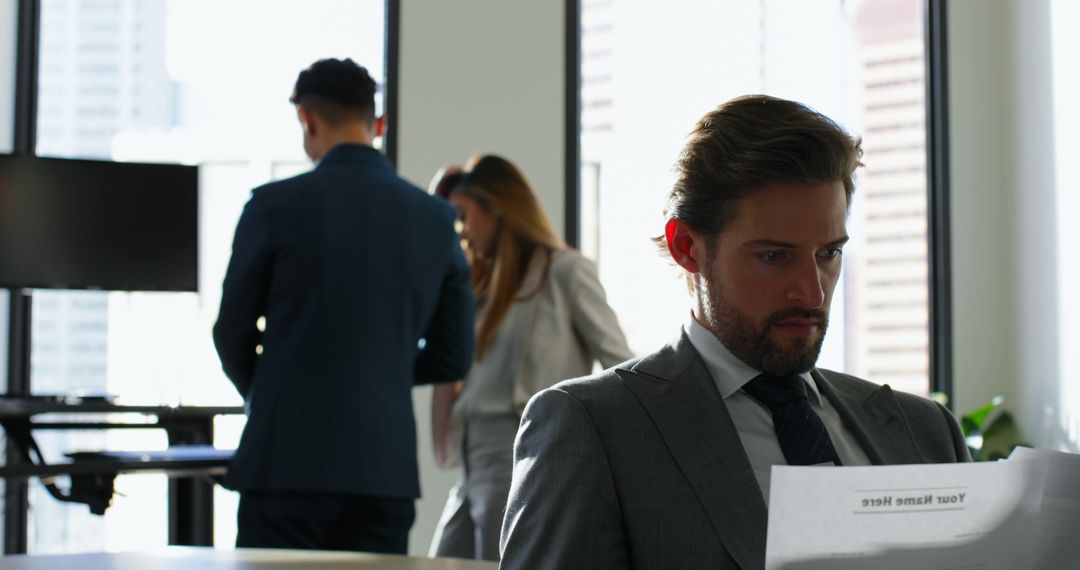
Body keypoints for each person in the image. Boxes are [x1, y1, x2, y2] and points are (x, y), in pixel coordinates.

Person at [499, 95, 971, 569]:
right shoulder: (593, 428)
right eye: (774, 256)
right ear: (687, 247)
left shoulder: (926, 432)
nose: (811, 292)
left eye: (828, 254)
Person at [212, 58, 474, 554]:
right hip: (382, 472)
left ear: (306, 120)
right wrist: (383, 372)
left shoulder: (272, 207)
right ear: (379, 125)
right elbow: (453, 356)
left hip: (284, 464)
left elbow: (230, 334)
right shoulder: (435, 220)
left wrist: (275, 392)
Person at [426, 155, 633, 561]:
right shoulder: (478, 286)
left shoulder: (564, 272)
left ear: (496, 208)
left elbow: (620, 364)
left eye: (465, 215)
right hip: (472, 461)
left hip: (523, 452)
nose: (463, 230)